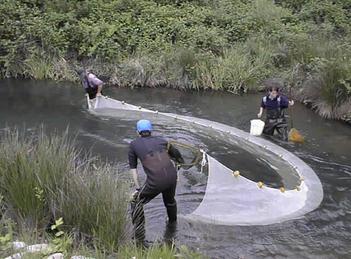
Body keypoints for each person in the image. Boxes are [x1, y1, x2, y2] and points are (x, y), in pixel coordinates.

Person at [128, 119, 184, 246]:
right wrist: (177, 171)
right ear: (151, 131)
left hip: (156, 181)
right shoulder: (162, 141)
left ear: (138, 132)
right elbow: (179, 157)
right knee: (170, 202)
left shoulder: (133, 145)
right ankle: (172, 227)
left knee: (136, 202)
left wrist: (137, 189)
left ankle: (139, 236)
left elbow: (133, 169)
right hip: (171, 177)